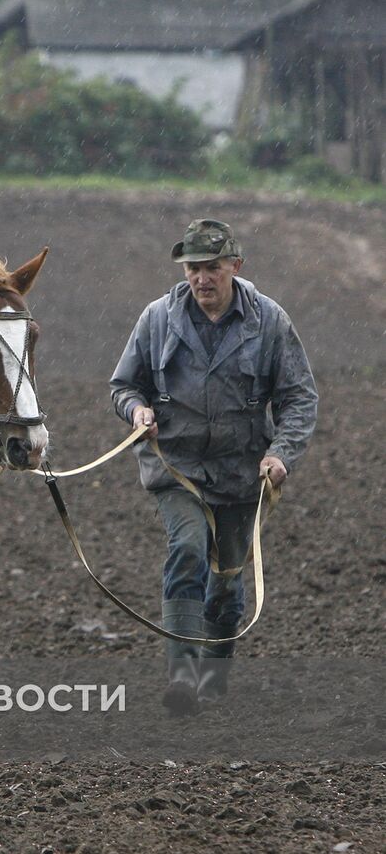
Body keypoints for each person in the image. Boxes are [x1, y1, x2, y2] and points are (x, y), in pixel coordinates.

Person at [110, 218, 318, 715]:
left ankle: (214, 673)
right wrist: (136, 411)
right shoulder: (157, 319)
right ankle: (181, 675)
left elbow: (298, 397)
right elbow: (123, 385)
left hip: (242, 473)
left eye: (213, 268)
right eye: (194, 269)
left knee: (226, 581)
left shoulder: (269, 322)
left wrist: (280, 454)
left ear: (235, 267)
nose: (202, 278)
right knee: (186, 551)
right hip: (176, 468)